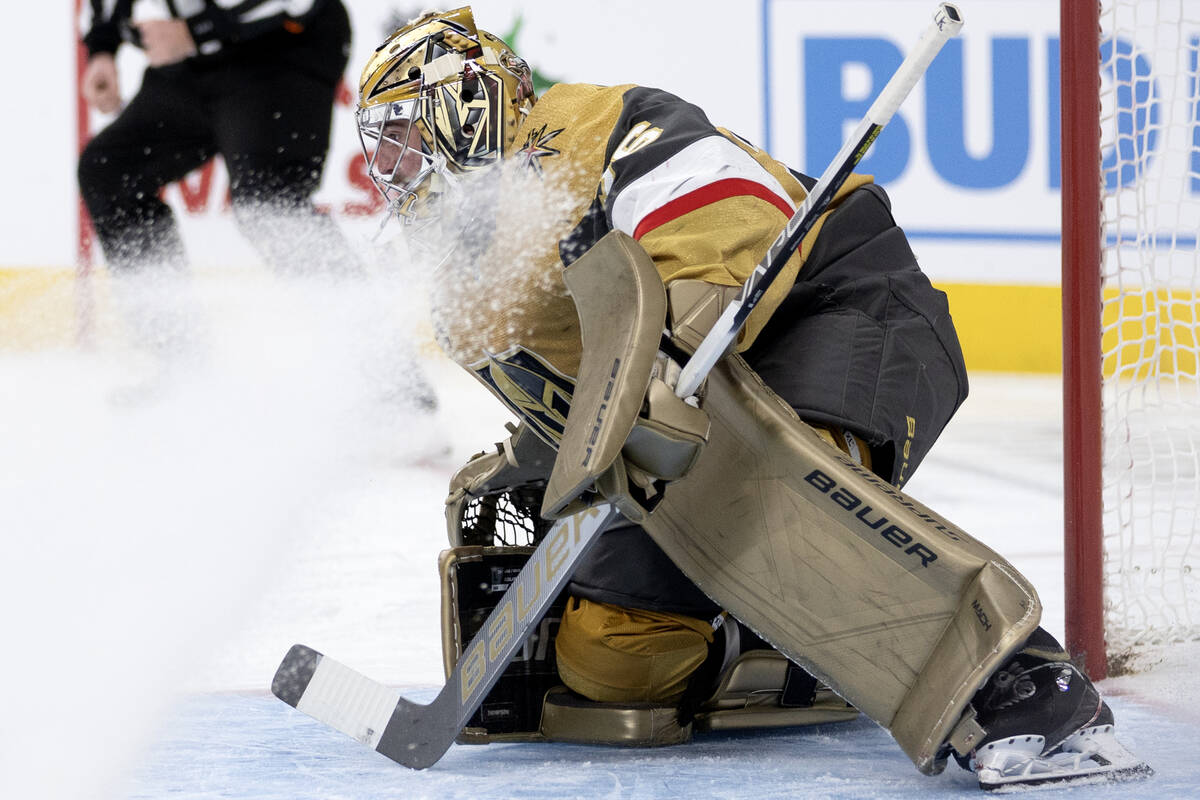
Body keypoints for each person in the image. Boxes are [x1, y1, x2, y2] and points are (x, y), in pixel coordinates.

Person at [353, 6, 1147, 788]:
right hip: (694, 414)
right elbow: (580, 400)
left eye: (401, 132)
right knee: (613, 660)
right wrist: (539, 454)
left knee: (780, 507)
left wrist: (666, 357)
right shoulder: (462, 286)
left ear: (461, 102)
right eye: (380, 144)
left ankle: (1028, 687)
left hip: (833, 302)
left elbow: (728, 212)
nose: (389, 164)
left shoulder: (579, 126)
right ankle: (809, 644)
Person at [78, 0, 357, 279]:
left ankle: (356, 313)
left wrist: (195, 31)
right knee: (110, 171)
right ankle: (162, 315)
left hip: (283, 47)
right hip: (197, 58)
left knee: (267, 201)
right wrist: (103, 47)